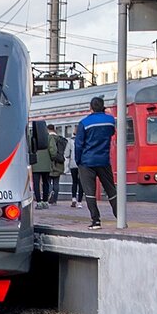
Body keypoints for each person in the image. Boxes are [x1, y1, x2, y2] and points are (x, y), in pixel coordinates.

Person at [74, 96, 117, 230]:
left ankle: (96, 220)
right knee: (111, 189)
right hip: (104, 160)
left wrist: (78, 160)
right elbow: (111, 133)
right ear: (103, 106)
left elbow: (79, 144)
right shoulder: (110, 121)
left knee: (90, 192)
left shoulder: (84, 123)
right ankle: (120, 217)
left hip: (87, 161)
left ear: (90, 108)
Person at [31, 124, 53, 209]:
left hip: (35, 163)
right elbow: (53, 150)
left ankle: (38, 202)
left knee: (36, 183)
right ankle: (45, 201)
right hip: (46, 163)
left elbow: (29, 148)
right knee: (46, 183)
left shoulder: (32, 137)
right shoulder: (49, 137)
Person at [63, 131, 84, 208]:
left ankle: (73, 199)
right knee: (81, 182)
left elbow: (67, 154)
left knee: (74, 181)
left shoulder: (70, 141)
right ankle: (80, 202)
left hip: (73, 164)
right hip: (82, 163)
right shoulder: (84, 140)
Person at [47, 124, 66, 204]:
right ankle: (55, 200)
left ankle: (50, 194)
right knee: (56, 182)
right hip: (59, 163)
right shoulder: (60, 139)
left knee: (48, 181)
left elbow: (51, 152)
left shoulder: (48, 138)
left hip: (50, 163)